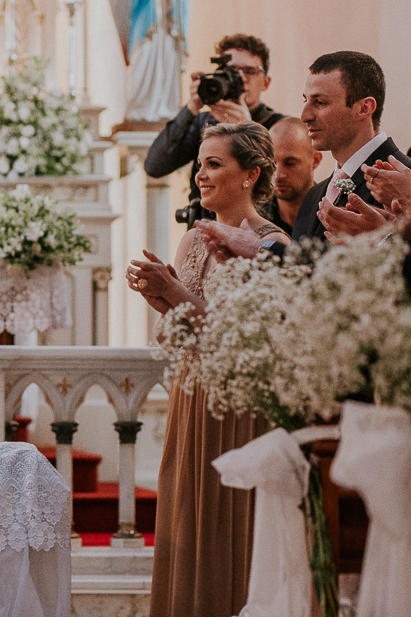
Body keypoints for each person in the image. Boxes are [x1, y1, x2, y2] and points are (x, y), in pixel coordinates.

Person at [127, 121, 287, 617]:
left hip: (237, 410)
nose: (200, 174)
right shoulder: (194, 241)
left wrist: (174, 294)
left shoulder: (270, 243)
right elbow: (181, 333)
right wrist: (161, 299)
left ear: (250, 175)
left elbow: (243, 340)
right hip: (191, 400)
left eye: (214, 163)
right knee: (185, 530)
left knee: (226, 534)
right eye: (200, 163)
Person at [145, 33, 284, 225]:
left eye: (250, 71)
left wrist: (249, 129)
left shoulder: (280, 127)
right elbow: (154, 166)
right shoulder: (203, 123)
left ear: (266, 82)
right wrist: (191, 108)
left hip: (254, 236)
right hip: (203, 231)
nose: (241, 78)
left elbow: (278, 188)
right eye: (232, 71)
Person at [297, 51, 411, 240]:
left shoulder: (403, 182)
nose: (305, 116)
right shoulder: (313, 196)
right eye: (305, 100)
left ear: (364, 108)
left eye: (320, 102)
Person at [258, 117, 321, 235]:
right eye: (272, 163)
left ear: (315, 160)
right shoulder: (254, 221)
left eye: (290, 163)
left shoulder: (331, 218)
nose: (278, 175)